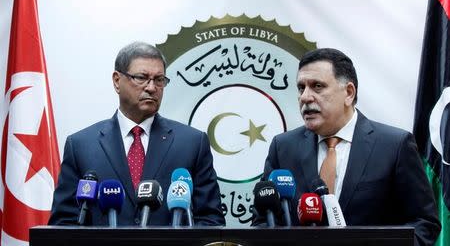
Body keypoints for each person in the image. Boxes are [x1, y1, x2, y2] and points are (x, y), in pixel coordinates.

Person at [257, 48, 441, 245]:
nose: (305, 97)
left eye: (317, 86)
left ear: (349, 93)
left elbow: (425, 223)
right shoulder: (283, 147)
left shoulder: (395, 145)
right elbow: (263, 222)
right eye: (301, 88)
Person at [49, 42, 225, 226]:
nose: (151, 87)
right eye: (141, 77)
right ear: (117, 81)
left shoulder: (192, 143)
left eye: (159, 80)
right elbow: (63, 223)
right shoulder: (80, 145)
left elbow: (210, 221)